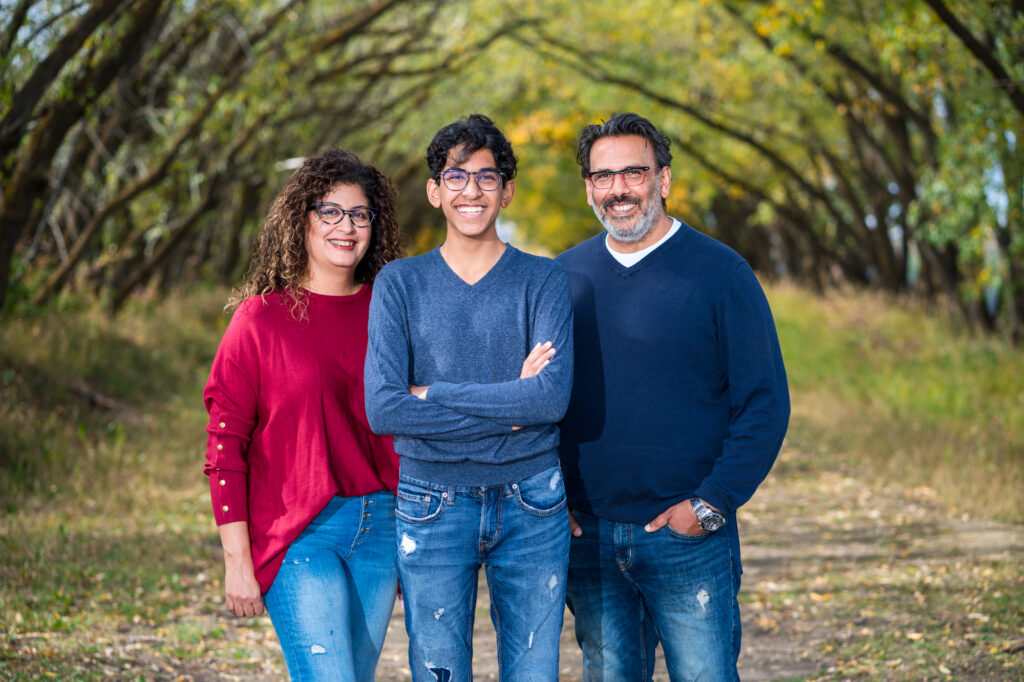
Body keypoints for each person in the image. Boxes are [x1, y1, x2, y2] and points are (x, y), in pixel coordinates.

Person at [556, 112, 791, 681]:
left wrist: (710, 505)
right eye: (603, 176)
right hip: (588, 536)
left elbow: (764, 403)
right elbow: (538, 401)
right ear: (589, 187)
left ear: (663, 179)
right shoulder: (562, 277)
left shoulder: (720, 273)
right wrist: (552, 501)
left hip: (688, 536)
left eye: (633, 172)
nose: (618, 189)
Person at [364, 114, 574, 681]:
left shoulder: (544, 280)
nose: (471, 191)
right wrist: (510, 409)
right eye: (456, 177)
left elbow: (549, 401)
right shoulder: (399, 284)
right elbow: (385, 410)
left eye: (487, 177)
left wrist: (433, 395)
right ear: (435, 191)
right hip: (430, 501)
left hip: (533, 498)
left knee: (533, 671)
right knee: (438, 671)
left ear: (506, 190)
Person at [202, 148, 402, 680]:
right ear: (302, 220)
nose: (347, 226)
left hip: (381, 526)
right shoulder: (260, 319)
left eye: (360, 214)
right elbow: (224, 446)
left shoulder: (391, 310)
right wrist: (237, 561)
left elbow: (416, 418)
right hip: (298, 533)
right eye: (329, 211)